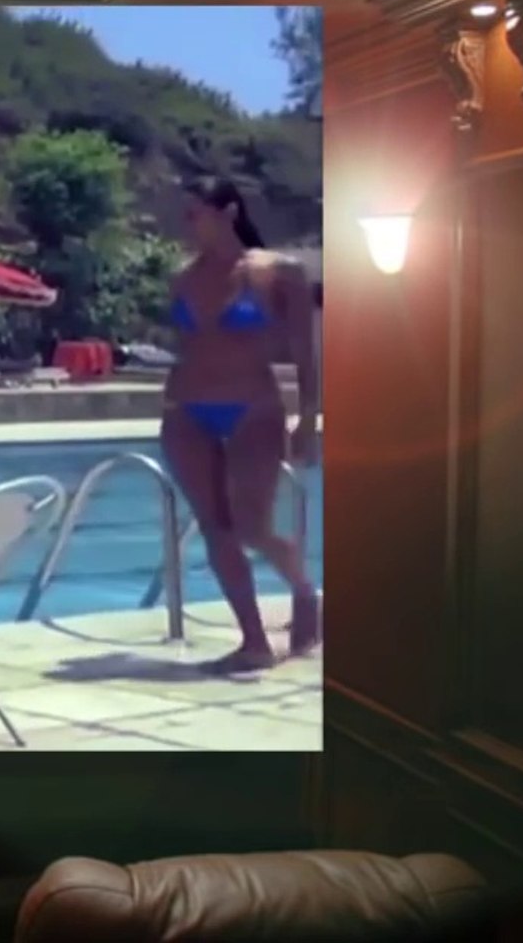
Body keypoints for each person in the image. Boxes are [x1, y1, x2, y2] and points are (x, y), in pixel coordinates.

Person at [163, 175, 320, 675]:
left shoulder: (279, 273)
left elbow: (304, 352)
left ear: (227, 212)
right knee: (215, 529)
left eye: (195, 213)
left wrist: (309, 417)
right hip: (186, 410)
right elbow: (187, 347)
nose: (188, 224)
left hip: (254, 408)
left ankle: (305, 591)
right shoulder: (182, 277)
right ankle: (253, 641)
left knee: (252, 527)